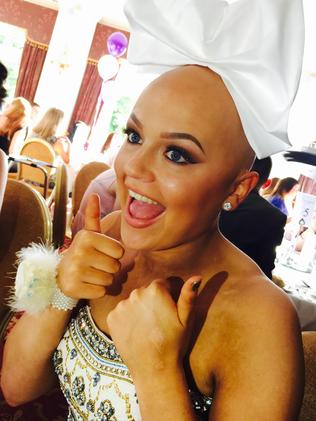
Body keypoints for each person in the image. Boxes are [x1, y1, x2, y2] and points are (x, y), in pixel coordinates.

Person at [1, 1, 305, 420]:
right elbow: (17, 388)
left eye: (177, 154)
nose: (132, 168)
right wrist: (60, 291)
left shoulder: (261, 319)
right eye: (134, 135)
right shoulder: (108, 235)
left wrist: (157, 371)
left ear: (237, 189)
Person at [219, 157, 287, 279]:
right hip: (239, 286)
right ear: (267, 182)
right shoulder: (274, 217)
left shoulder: (212, 196)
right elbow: (265, 269)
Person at [71, 167, 119, 237]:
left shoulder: (115, 173)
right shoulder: (121, 180)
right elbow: (118, 228)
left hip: (84, 228)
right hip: (87, 233)